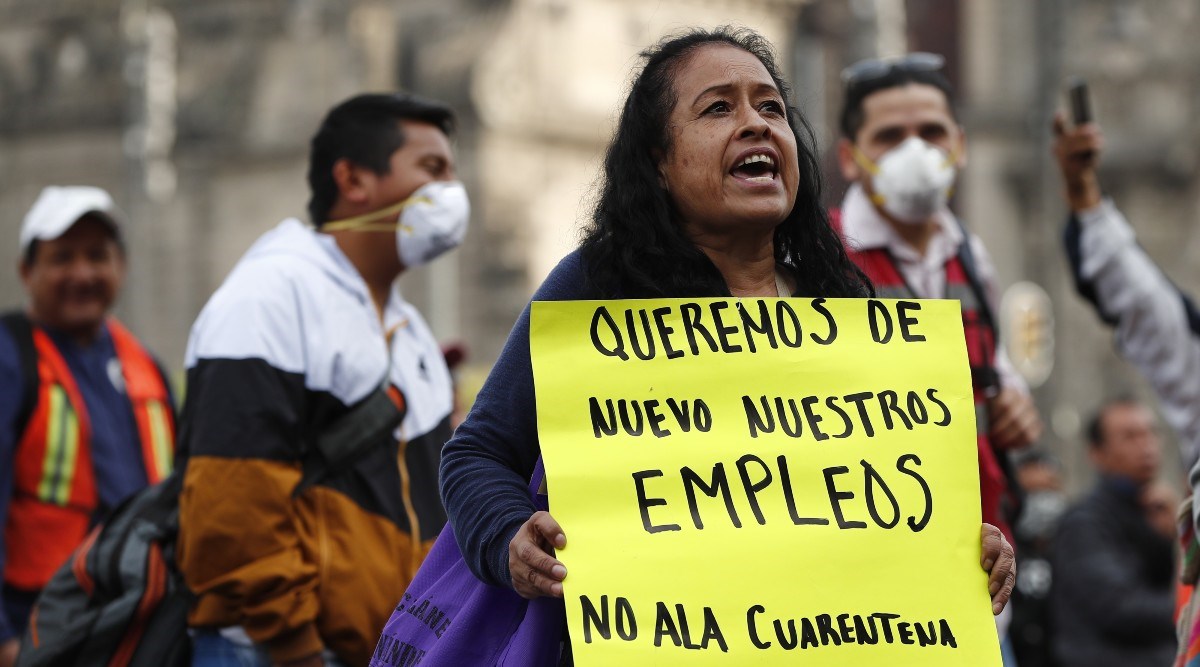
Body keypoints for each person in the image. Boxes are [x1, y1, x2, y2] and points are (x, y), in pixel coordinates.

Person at [436, 28, 1017, 663]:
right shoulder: (594, 291)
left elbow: (894, 504)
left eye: (771, 108)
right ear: (658, 159)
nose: (756, 125)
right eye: (719, 108)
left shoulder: (853, 310)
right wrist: (505, 539)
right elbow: (478, 452)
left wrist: (966, 550)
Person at [177, 93, 463, 667]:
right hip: (273, 654)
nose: (453, 193)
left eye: (452, 173)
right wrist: (294, 647)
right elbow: (230, 503)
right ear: (353, 179)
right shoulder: (269, 296)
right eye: (432, 169)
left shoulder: (412, 333)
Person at [834, 54, 1044, 553]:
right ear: (849, 157)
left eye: (931, 132)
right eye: (889, 137)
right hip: (876, 543)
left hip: (981, 543)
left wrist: (1014, 406)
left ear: (959, 144)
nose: (915, 151)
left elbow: (994, 370)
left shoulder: (970, 254)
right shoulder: (819, 255)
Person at [0, 186, 176, 667]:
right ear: (26, 271)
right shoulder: (11, 358)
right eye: (62, 258)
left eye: (97, 256)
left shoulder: (146, 368)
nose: (82, 274)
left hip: (138, 626)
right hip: (40, 628)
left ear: (121, 266)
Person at [1053, 111, 1200, 667]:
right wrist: (1083, 194)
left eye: (1146, 435)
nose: (1146, 447)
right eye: (1129, 435)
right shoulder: (1090, 525)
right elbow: (1146, 305)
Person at [1049, 398, 1177, 666]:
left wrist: (1176, 539)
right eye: (1130, 436)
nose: (1147, 446)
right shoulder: (1084, 524)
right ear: (1097, 453)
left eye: (1151, 432)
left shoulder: (1155, 513)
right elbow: (1122, 609)